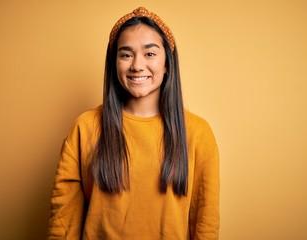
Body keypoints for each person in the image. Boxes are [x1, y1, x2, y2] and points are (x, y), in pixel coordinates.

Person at [47, 6, 219, 240]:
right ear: (114, 63)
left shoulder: (198, 133)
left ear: (167, 63)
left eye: (150, 54)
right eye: (126, 54)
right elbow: (63, 221)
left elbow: (205, 223)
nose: (137, 65)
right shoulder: (85, 128)